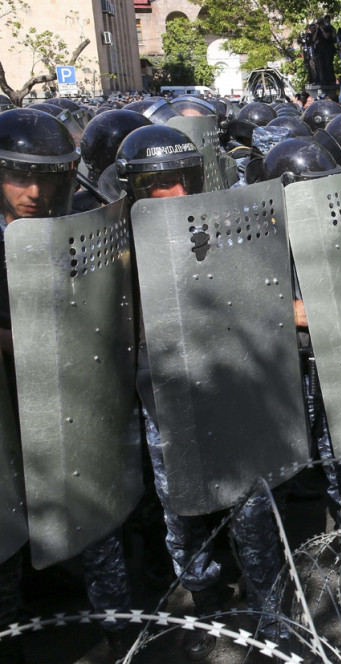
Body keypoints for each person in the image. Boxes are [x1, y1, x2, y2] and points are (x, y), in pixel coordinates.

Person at [117, 124, 288, 661]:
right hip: (165, 405)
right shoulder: (116, 251)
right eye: (158, 183)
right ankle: (209, 604)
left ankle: (271, 618)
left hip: (230, 391)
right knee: (184, 518)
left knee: (252, 514)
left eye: (182, 179)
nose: (176, 195)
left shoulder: (222, 227)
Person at [0, 107, 135, 662]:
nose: (33, 191)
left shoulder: (81, 226)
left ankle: (124, 634)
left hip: (72, 404)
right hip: (9, 415)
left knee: (91, 521)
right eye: (19, 175)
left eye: (48, 177)